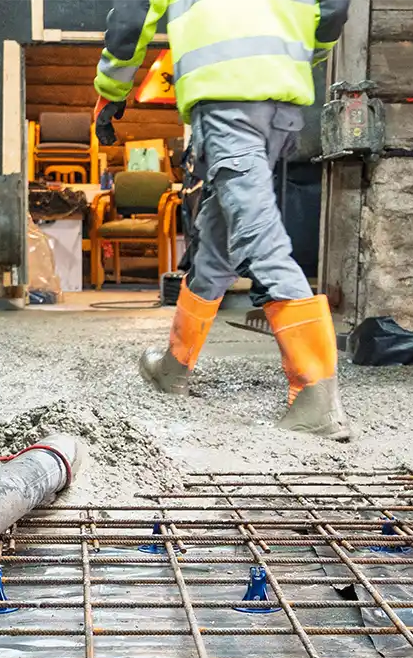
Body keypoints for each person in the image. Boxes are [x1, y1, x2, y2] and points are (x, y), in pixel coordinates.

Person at [94, 0, 351, 441]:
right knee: (219, 234)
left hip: (227, 92)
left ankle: (316, 395)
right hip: (282, 99)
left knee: (257, 233)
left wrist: (112, 88)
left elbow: (133, 14)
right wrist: (301, 60)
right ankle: (174, 367)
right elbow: (332, 9)